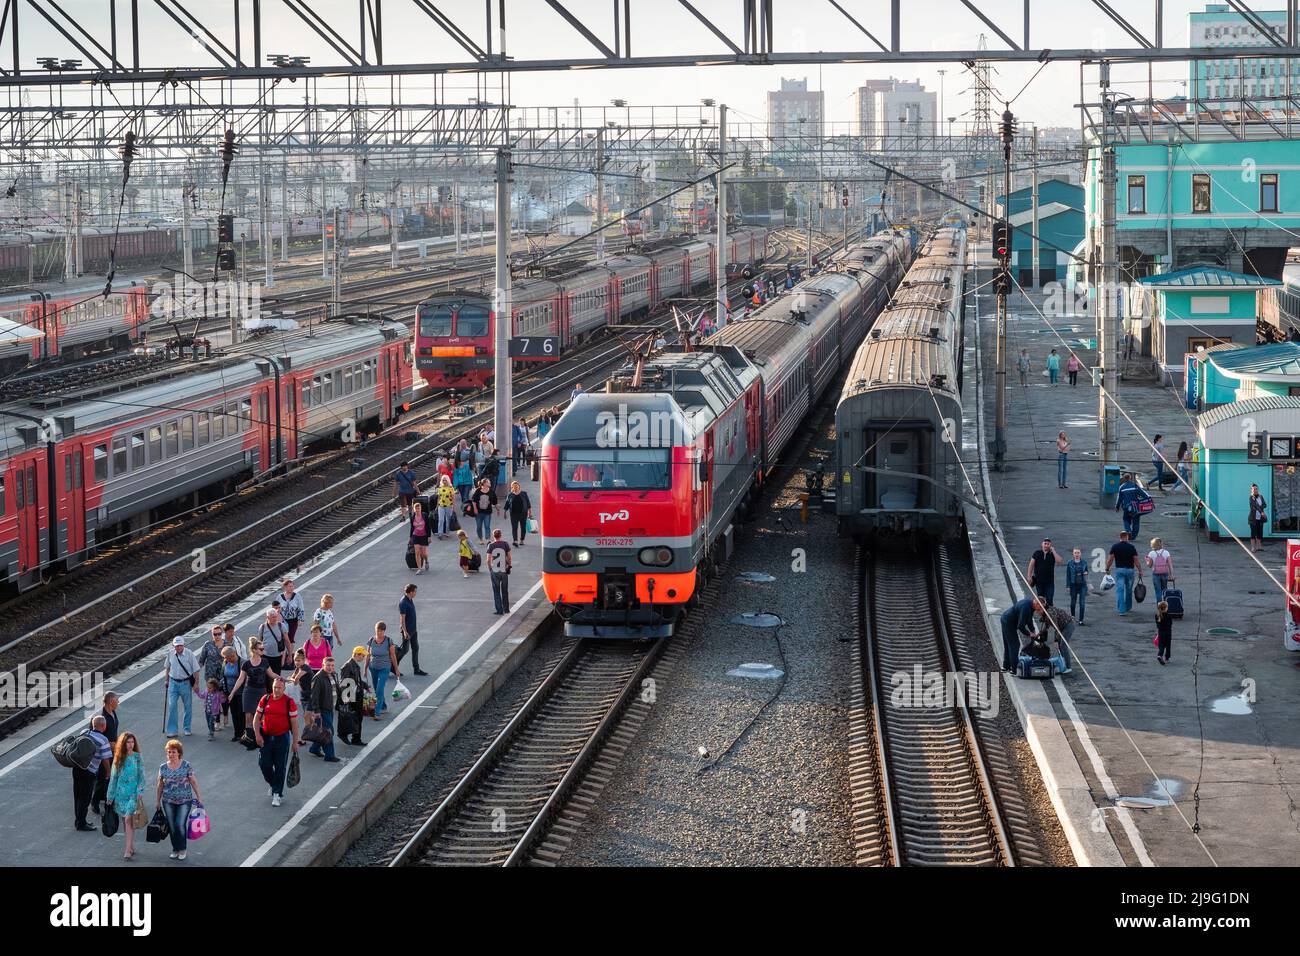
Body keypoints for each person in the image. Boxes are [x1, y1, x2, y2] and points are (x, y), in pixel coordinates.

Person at [253, 677, 299, 807]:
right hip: (266, 737)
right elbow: (257, 718)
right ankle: (273, 784)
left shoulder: (289, 702)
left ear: (284, 688)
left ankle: (277, 794)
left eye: (279, 688)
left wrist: (295, 742)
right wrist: (257, 735)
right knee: (264, 764)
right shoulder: (265, 699)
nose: (276, 690)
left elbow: (295, 724)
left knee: (280, 767)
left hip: (282, 738)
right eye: (274, 687)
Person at [155, 739, 201, 860]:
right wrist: (157, 801)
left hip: (184, 801)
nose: (171, 754)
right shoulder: (163, 768)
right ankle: (175, 848)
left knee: (179, 824)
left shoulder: (186, 765)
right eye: (169, 752)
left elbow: (193, 781)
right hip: (168, 801)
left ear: (179, 753)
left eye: (173, 752)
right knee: (172, 825)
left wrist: (199, 797)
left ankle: (182, 848)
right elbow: (159, 785)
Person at [69, 715, 113, 831]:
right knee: (85, 798)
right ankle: (81, 823)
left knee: (77, 796)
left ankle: (78, 820)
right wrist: (108, 772)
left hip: (77, 768)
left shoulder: (84, 732)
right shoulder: (103, 740)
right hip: (89, 772)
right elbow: (105, 759)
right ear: (103, 726)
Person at [105, 732, 145, 860]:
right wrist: (110, 796)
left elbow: (141, 777)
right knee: (125, 821)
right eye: (128, 742)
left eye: (132, 742)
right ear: (123, 744)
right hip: (120, 794)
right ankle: (131, 845)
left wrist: (140, 791)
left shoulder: (138, 757)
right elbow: (113, 777)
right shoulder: (118, 758)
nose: (130, 744)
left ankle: (127, 850)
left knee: (128, 819)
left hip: (133, 794)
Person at [229, 638, 276, 744]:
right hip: (249, 691)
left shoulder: (264, 661)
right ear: (254, 650)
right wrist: (232, 692)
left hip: (261, 691)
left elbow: (272, 674)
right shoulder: (246, 664)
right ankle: (249, 738)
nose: (263, 650)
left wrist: (283, 679)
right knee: (248, 715)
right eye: (261, 649)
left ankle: (260, 736)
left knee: (260, 714)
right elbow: (241, 679)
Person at [162, 636, 200, 738]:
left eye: (180, 646)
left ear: (183, 645)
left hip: (185, 683)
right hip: (173, 683)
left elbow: (196, 670)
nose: (178, 648)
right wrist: (166, 680)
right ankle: (172, 730)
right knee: (172, 706)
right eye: (176, 646)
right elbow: (167, 668)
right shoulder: (170, 653)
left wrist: (196, 684)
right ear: (173, 646)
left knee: (188, 706)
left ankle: (187, 728)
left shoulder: (189, 654)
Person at [307, 656, 342, 763]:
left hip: (330, 708)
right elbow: (314, 696)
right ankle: (329, 755)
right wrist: (316, 711)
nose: (330, 667)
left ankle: (315, 748)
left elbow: (336, 689)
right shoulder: (318, 677)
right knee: (328, 732)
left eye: (332, 665)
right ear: (323, 665)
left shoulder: (332, 675)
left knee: (323, 731)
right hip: (322, 710)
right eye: (328, 665)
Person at [366, 622, 401, 719]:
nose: (379, 632)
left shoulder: (389, 641)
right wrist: (365, 668)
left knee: (379, 688)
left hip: (385, 668)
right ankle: (383, 705)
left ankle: (377, 712)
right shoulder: (371, 640)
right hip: (373, 668)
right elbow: (368, 655)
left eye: (381, 631)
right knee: (377, 688)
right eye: (377, 630)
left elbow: (393, 656)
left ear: (384, 631)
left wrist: (396, 670)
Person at [999, 596, 1042, 672]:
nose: (1041, 609)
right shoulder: (1026, 608)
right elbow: (1020, 626)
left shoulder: (1030, 604)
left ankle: (1006, 666)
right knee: (1014, 645)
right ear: (1037, 603)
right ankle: (1014, 669)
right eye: (1041, 607)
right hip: (1009, 623)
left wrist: (1033, 630)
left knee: (1008, 644)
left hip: (1005, 619)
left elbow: (1029, 620)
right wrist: (1029, 634)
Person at [340, 647, 371, 747]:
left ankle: (355, 738)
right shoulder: (348, 666)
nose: (363, 657)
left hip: (357, 695)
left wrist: (365, 686)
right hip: (351, 696)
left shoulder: (355, 665)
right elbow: (343, 682)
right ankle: (347, 736)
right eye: (362, 655)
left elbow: (356, 680)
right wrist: (345, 697)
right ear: (357, 654)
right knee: (352, 717)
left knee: (357, 718)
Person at [1106, 531, 1143, 615]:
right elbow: (1136, 560)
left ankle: (1121, 610)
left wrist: (1107, 568)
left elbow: (1110, 559)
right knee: (1129, 589)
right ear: (1127, 537)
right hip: (1130, 570)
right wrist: (1140, 570)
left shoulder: (1115, 546)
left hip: (1120, 571)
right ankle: (1128, 607)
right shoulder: (1131, 547)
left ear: (1120, 537)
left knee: (1120, 590)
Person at [1034, 601, 1076, 673]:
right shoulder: (1046, 612)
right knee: (1060, 646)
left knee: (1063, 645)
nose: (1038, 613)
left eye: (1038, 610)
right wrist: (1040, 633)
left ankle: (1068, 667)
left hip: (1068, 625)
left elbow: (1056, 628)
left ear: (1043, 608)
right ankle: (1063, 664)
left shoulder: (1050, 613)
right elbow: (1047, 625)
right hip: (1063, 625)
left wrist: (1056, 641)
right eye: (1036, 610)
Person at [398, 584, 427, 676]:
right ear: (410, 592)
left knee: (415, 648)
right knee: (404, 650)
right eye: (415, 591)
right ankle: (393, 665)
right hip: (407, 631)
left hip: (413, 630)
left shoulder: (410, 600)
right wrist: (405, 632)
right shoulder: (403, 602)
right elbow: (402, 618)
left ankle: (416, 669)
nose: (415, 593)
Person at [1026, 538, 1064, 606]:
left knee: (1049, 600)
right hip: (1039, 582)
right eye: (1045, 543)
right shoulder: (1037, 553)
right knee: (1041, 600)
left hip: (1049, 582)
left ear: (1050, 545)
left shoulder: (1052, 554)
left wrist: (1054, 551)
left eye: (1048, 544)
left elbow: (1060, 562)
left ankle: (1050, 615)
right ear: (1042, 544)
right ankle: (1043, 615)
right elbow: (1031, 565)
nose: (1046, 545)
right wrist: (1029, 577)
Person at [257, 606, 292, 673]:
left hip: (277, 656)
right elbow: (260, 642)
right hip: (265, 656)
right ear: (267, 617)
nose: (275, 618)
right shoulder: (263, 627)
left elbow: (287, 641)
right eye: (273, 617)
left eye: (276, 616)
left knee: (276, 676)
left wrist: (290, 655)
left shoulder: (281, 626)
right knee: (266, 676)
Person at [219, 646, 243, 740]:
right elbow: (222, 676)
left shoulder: (242, 663)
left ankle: (242, 734)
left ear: (232, 655)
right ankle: (237, 733)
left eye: (226, 657)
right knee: (234, 713)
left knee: (241, 713)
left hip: (241, 692)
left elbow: (243, 678)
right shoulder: (225, 663)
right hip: (229, 692)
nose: (225, 659)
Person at [488, 529, 513, 615]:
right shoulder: (505, 544)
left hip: (495, 570)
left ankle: (499, 610)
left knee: (496, 591)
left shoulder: (491, 545)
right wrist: (509, 566)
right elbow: (509, 557)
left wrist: (490, 569)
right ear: (501, 535)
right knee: (505, 590)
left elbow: (488, 559)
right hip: (504, 570)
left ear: (493, 536)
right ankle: (506, 609)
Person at [197, 625, 227, 698]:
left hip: (223, 677)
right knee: (212, 700)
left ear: (222, 633)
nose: (217, 636)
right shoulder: (207, 645)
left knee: (223, 700)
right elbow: (201, 661)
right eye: (215, 634)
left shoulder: (227, 645)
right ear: (212, 635)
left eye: (219, 634)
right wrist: (195, 676)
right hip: (210, 678)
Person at [503, 479, 533, 546]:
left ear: (519, 486)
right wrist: (505, 512)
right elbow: (507, 504)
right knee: (514, 527)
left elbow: (528, 503)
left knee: (523, 527)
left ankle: (522, 540)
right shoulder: (510, 495)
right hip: (513, 514)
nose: (515, 487)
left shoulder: (524, 494)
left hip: (523, 514)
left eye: (516, 486)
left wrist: (530, 512)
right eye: (514, 486)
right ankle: (515, 540)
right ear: (512, 487)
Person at [1065, 547, 1090, 626]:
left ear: (1080, 553)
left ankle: (1081, 620)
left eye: (1078, 553)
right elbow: (1068, 575)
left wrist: (1088, 581)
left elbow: (1087, 572)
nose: (1077, 554)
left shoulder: (1084, 562)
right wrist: (1068, 586)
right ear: (1073, 554)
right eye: (1075, 553)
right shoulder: (1070, 563)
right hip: (1073, 585)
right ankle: (1073, 618)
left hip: (1082, 584)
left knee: (1082, 603)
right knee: (1073, 602)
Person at [1146, 537, 1174, 604]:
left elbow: (1149, 565)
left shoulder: (1151, 553)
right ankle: (1166, 606)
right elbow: (1170, 564)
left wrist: (1147, 560)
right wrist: (1171, 575)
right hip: (1165, 573)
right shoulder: (1166, 552)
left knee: (1158, 591)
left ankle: (1160, 609)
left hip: (1156, 574)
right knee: (1164, 590)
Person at [1116, 472, 1144, 537]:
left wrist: (1117, 507)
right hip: (1136, 507)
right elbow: (1143, 494)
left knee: (1126, 520)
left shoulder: (1122, 487)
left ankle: (1128, 531)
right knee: (1136, 521)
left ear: (1124, 479)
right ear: (1130, 478)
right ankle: (1133, 536)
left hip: (1126, 507)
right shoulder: (1135, 486)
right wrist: (1146, 500)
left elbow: (1119, 498)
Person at [470, 478, 497, 545]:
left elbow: (495, 501)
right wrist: (475, 509)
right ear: (484, 483)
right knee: (479, 526)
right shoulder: (478, 491)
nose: (490, 483)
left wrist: (498, 508)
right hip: (479, 512)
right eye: (488, 482)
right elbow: (473, 501)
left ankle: (488, 539)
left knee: (487, 526)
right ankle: (481, 539)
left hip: (488, 512)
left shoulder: (491, 491)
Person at [278, 579, 306, 645]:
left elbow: (301, 608)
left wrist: (300, 619)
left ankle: (290, 654)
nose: (291, 588)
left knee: (291, 638)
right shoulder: (279, 597)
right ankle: (285, 653)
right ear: (285, 587)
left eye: (292, 586)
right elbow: (276, 608)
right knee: (283, 637)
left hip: (293, 620)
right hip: (283, 620)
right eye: (289, 586)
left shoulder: (297, 596)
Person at [409, 499, 432, 574]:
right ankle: (419, 568)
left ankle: (426, 561)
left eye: (419, 508)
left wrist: (429, 536)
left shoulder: (424, 515)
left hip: (424, 536)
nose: (417, 510)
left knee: (423, 553)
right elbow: (412, 527)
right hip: (416, 536)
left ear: (421, 508)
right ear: (414, 509)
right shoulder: (412, 517)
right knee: (417, 552)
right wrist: (410, 537)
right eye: (416, 508)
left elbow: (428, 526)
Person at [434, 475, 456, 541]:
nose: (444, 481)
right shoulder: (440, 488)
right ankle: (440, 534)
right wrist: (437, 506)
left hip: (449, 505)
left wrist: (454, 507)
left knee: (448, 519)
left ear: (448, 480)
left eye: (445, 480)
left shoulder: (451, 488)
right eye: (443, 480)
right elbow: (439, 498)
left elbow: (453, 498)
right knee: (441, 520)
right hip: (441, 505)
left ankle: (447, 532)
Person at [1248, 483, 1268, 552]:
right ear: (1251, 490)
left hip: (1260, 518)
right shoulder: (1251, 497)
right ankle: (1253, 547)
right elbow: (1255, 506)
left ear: (1258, 489)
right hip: (1253, 518)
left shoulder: (1261, 496)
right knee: (1253, 533)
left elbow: (1265, 505)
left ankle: (1259, 546)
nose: (1255, 490)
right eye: (1254, 489)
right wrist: (1262, 512)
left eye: (1256, 489)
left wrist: (1261, 508)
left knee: (1260, 533)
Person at [1155, 600, 1173, 664]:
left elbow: (1157, 624)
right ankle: (1167, 658)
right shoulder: (1168, 615)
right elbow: (1170, 623)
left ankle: (1160, 655)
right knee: (1168, 646)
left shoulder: (1157, 615)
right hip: (1168, 633)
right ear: (1166, 608)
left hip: (1161, 632)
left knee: (1161, 646)